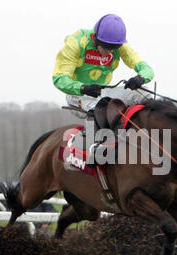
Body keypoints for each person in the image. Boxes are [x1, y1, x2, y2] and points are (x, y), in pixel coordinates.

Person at [52, 14, 154, 166]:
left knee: (145, 93)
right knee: (101, 105)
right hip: (77, 94)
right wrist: (82, 87)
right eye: (105, 47)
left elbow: (146, 69)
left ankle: (148, 139)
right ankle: (93, 148)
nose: (108, 52)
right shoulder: (76, 43)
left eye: (114, 49)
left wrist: (141, 78)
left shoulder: (120, 46)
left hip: (103, 92)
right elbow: (59, 78)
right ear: (95, 39)